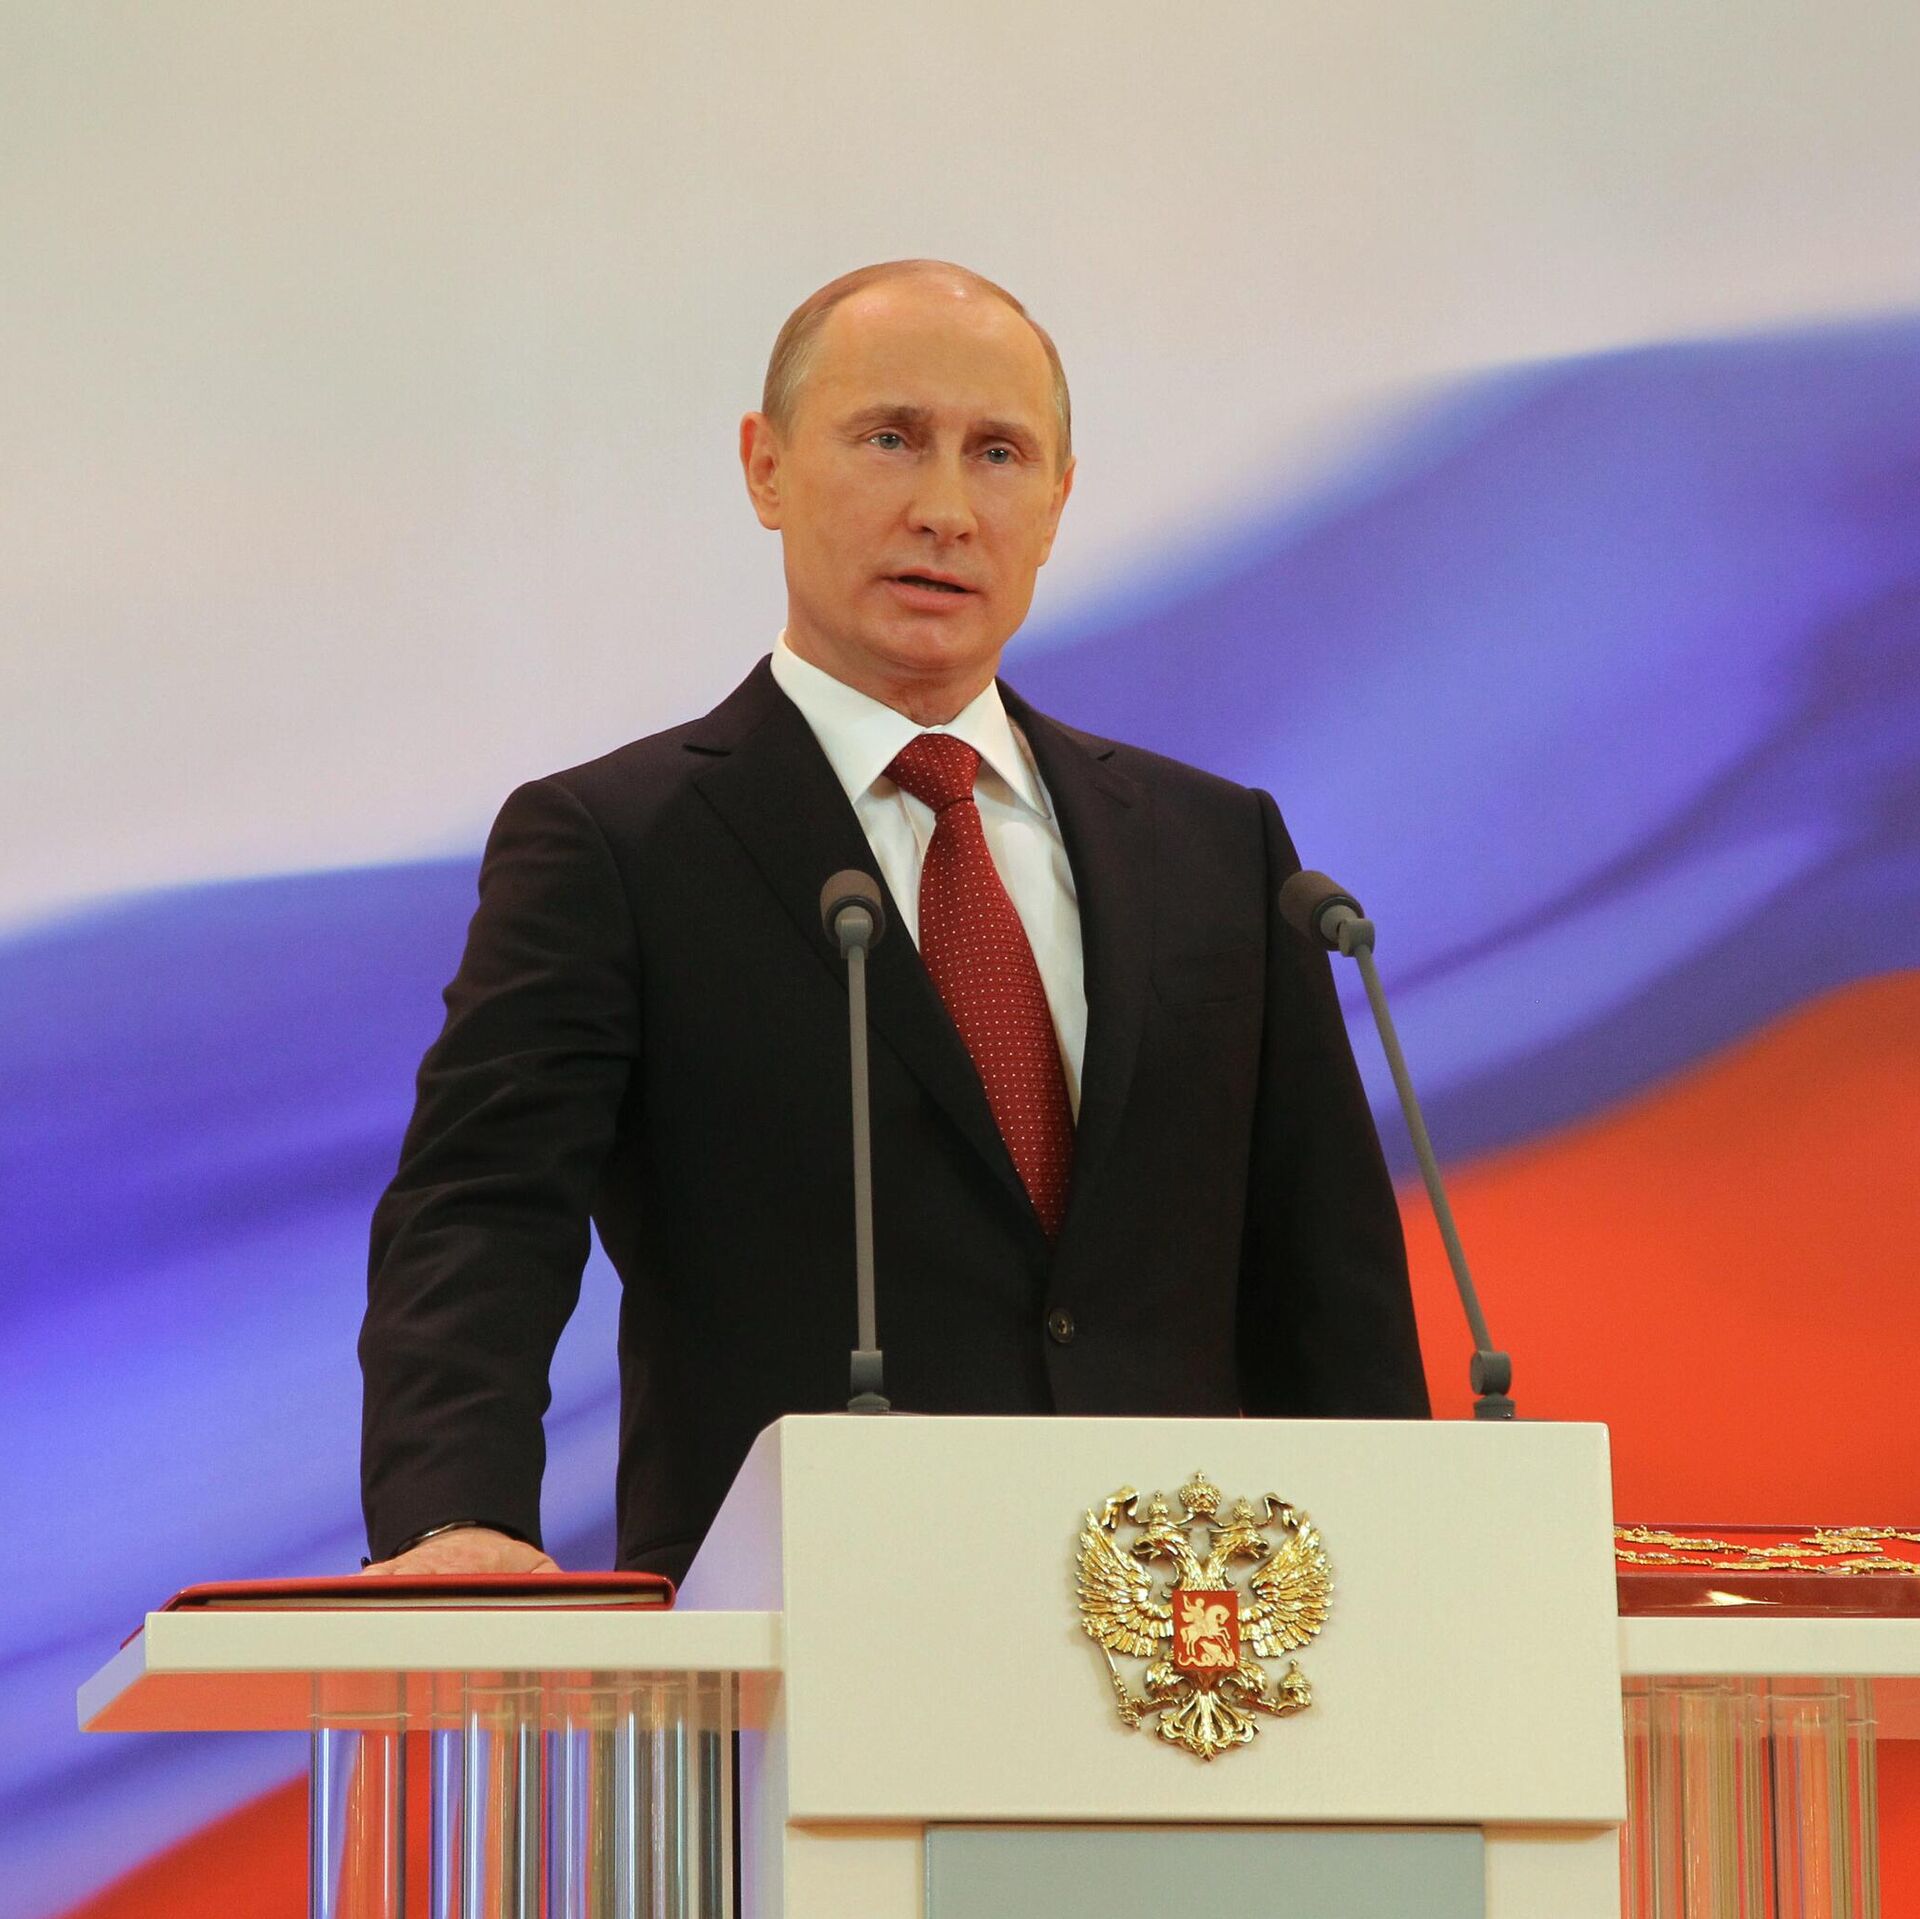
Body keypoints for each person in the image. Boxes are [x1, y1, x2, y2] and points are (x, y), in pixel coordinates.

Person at [358, 259, 1429, 1585]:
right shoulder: (616, 846)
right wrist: (455, 1516)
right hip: (801, 1624)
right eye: (890, 439)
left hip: (1182, 1641)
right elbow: (482, 1212)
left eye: (998, 454)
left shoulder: (1216, 849)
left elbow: (1328, 1284)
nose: (945, 510)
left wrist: (1407, 1578)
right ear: (765, 468)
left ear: (1057, 502)